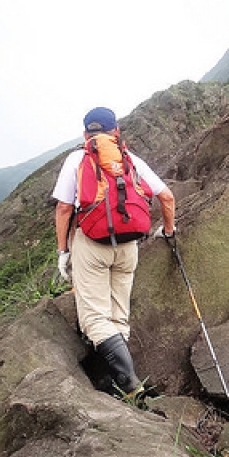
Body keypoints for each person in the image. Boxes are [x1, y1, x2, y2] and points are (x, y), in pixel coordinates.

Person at [52, 106, 176, 396]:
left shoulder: (78, 158)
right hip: (128, 246)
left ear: (86, 134)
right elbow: (167, 197)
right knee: (118, 317)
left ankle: (130, 384)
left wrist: (63, 251)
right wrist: (168, 231)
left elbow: (63, 207)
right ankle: (116, 380)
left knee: (94, 318)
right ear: (116, 131)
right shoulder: (130, 158)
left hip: (92, 244)